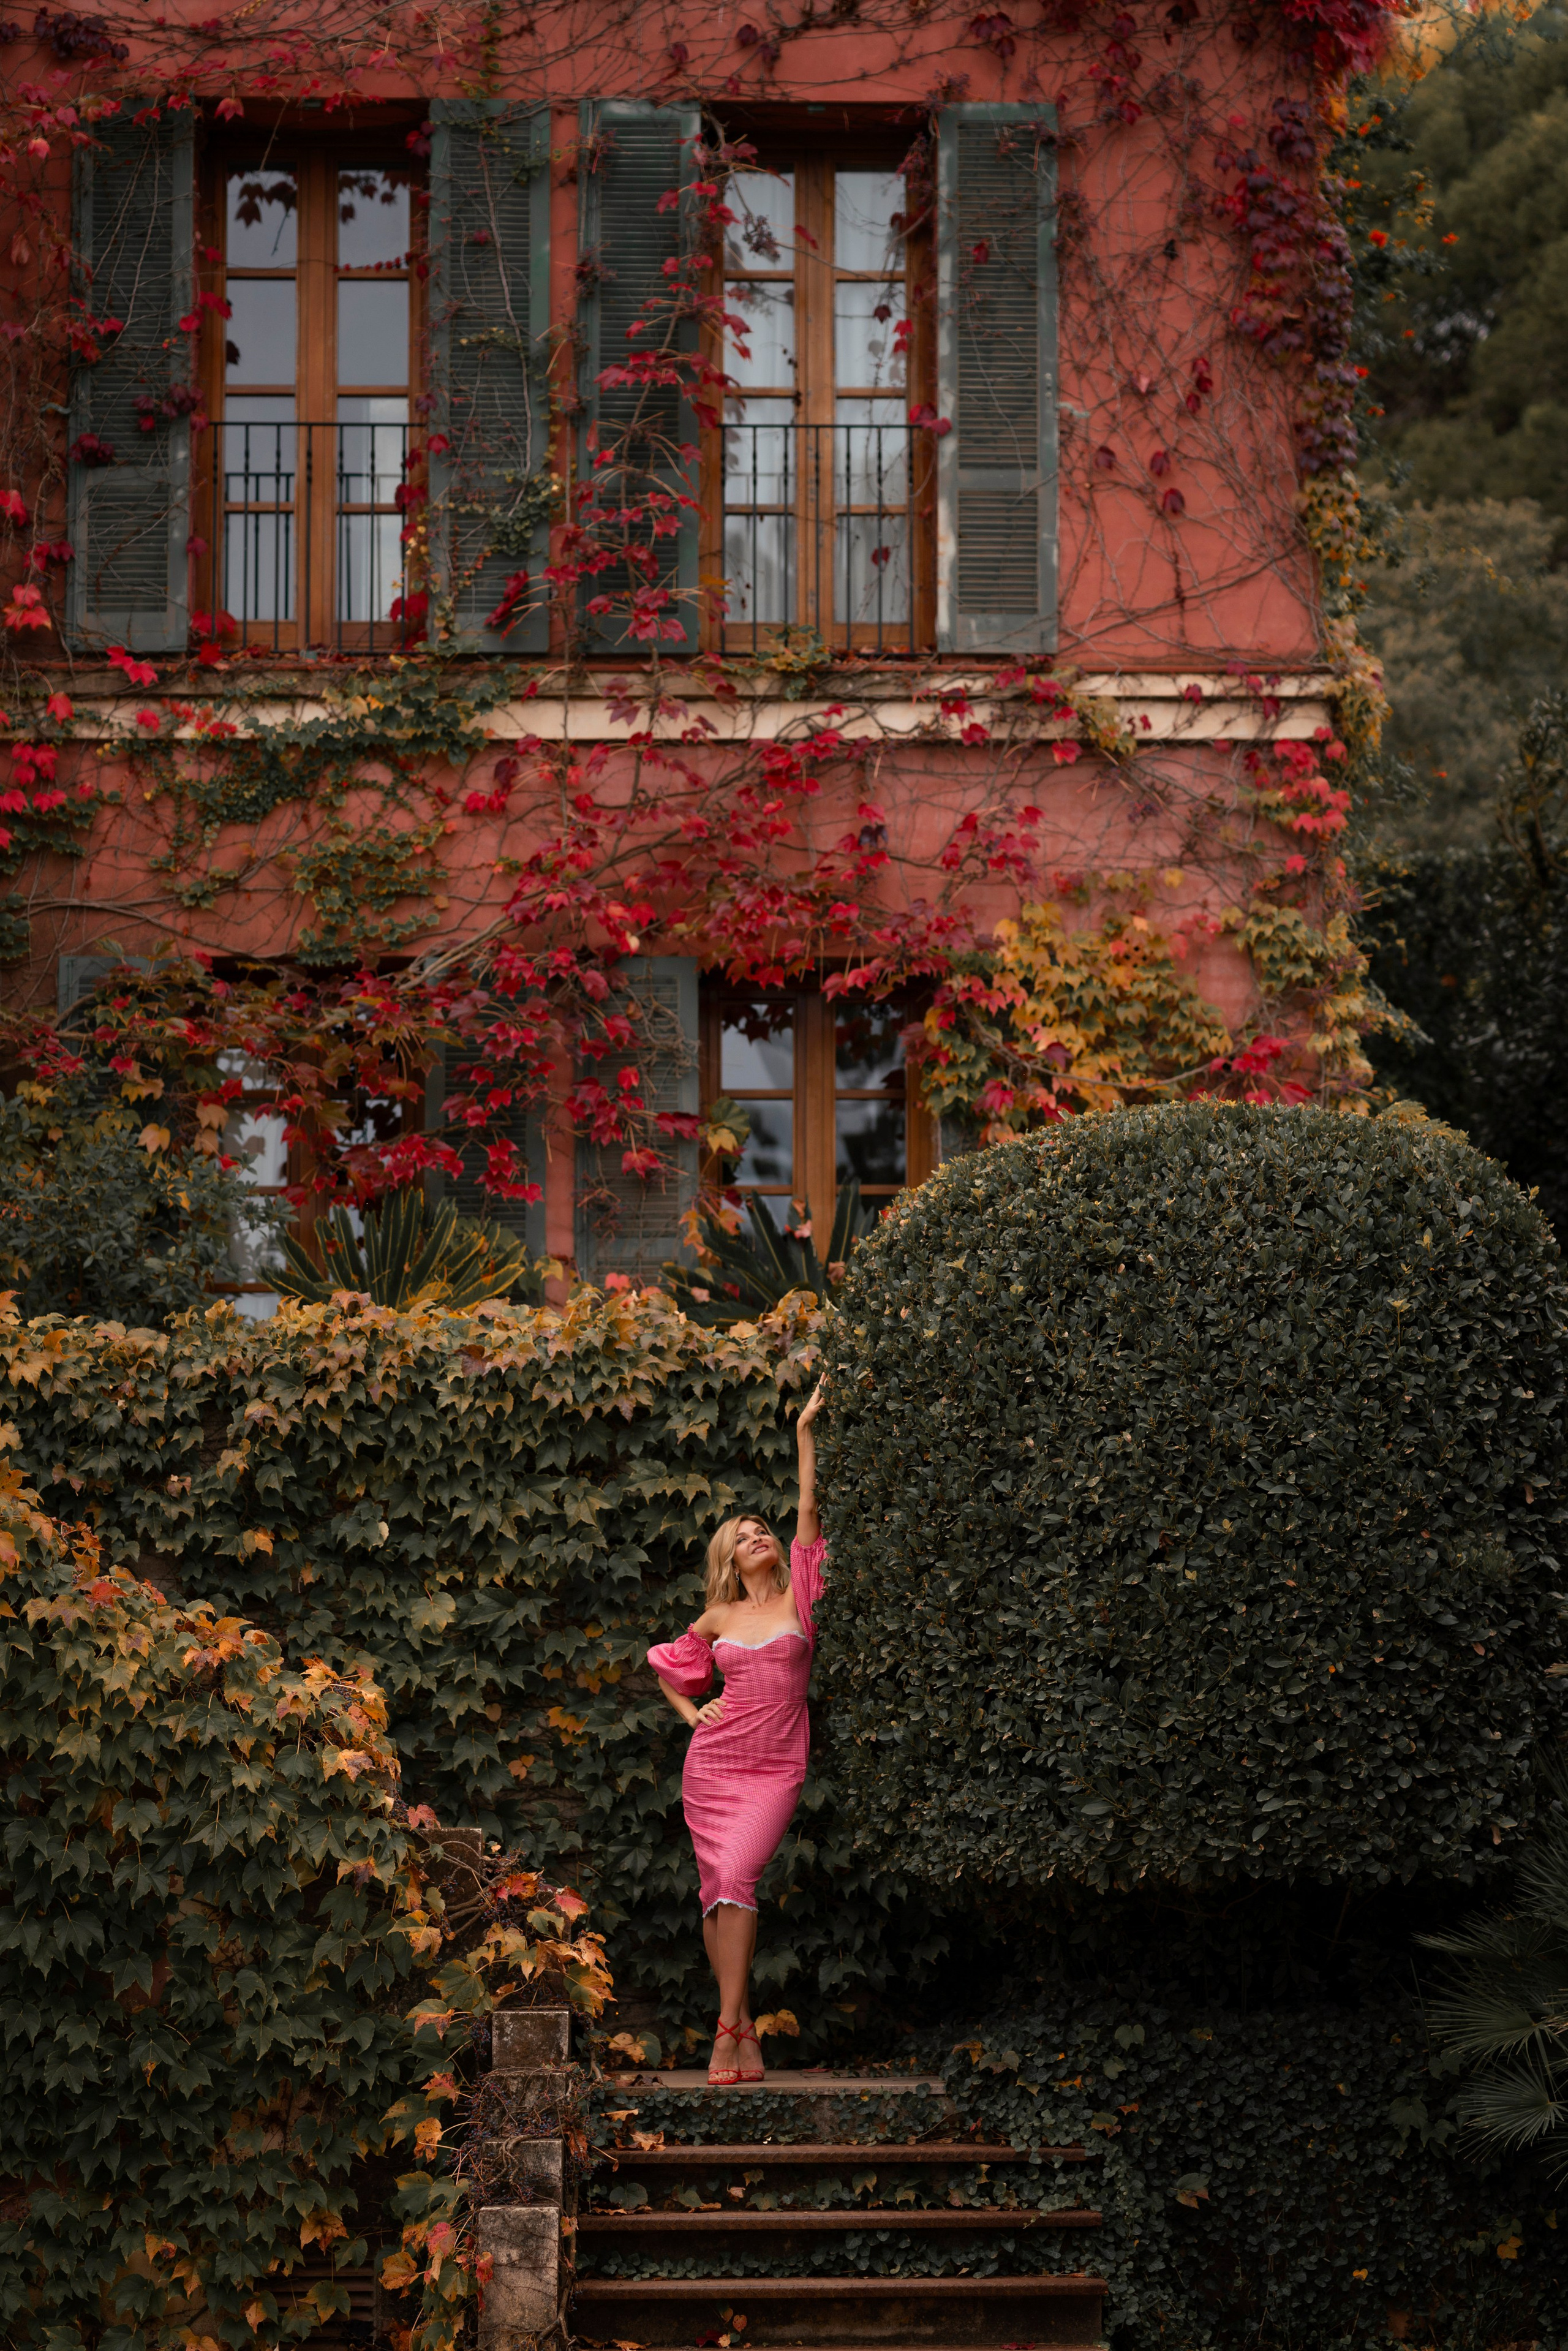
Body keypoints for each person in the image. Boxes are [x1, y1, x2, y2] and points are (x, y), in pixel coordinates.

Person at [647, 1378, 826, 2086]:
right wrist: (695, 1714)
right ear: (730, 1556)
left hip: (776, 1764)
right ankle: (744, 2033)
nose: (758, 1537)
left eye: (762, 1531)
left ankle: (724, 2033)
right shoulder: (717, 1618)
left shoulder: (799, 1594)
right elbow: (669, 1667)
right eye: (743, 1535)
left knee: (740, 1876)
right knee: (719, 1887)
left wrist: (804, 1434)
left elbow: (807, 1509)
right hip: (713, 1765)